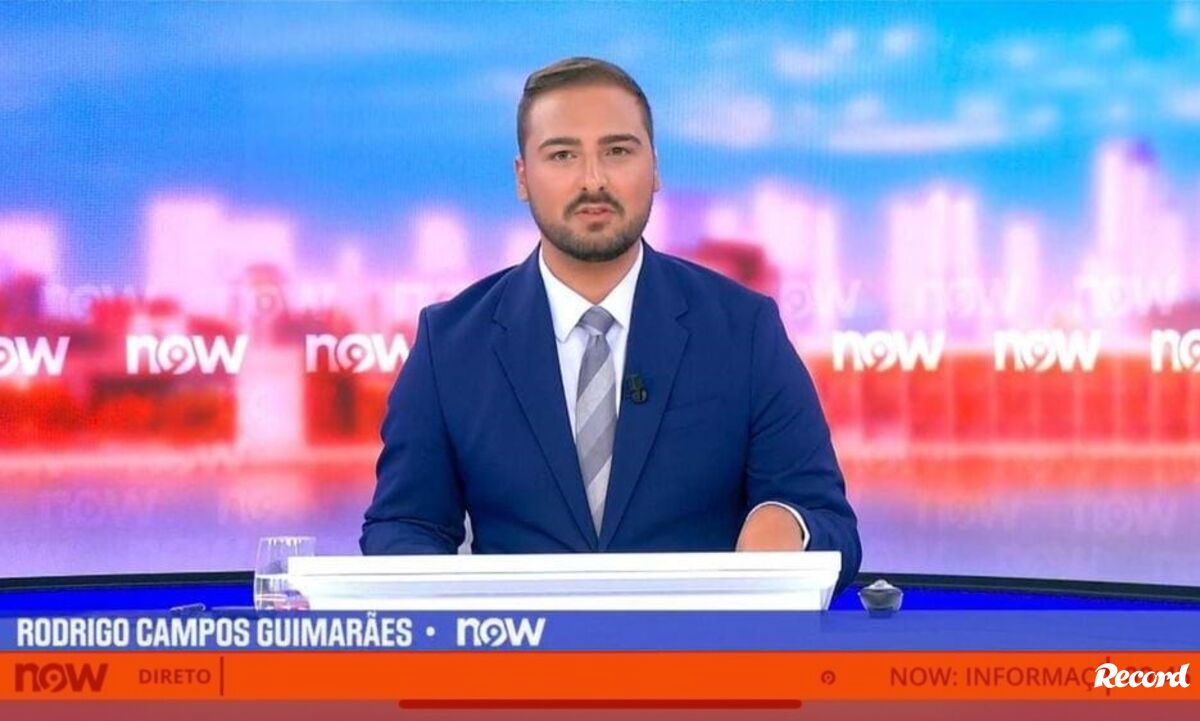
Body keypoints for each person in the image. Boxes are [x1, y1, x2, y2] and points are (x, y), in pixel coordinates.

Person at [361, 57, 861, 595]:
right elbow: (402, 524)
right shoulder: (450, 344)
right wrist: (450, 608)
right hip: (519, 645)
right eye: (562, 155)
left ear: (655, 168)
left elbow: (831, 526)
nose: (593, 180)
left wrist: (789, 525)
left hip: (697, 645)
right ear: (523, 177)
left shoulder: (743, 330)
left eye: (618, 151)